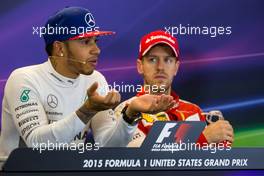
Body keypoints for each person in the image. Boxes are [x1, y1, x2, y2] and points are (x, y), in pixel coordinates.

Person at [0, 7, 175, 157]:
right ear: (59, 48)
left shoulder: (95, 79)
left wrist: (130, 115)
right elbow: (37, 145)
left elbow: (108, 147)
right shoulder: (24, 79)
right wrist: (86, 111)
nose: (97, 50)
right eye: (85, 42)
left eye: (96, 41)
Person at [115, 30, 234, 147]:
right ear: (140, 66)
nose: (160, 67)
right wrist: (202, 139)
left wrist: (221, 141)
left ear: (176, 67)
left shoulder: (193, 110)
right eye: (152, 59)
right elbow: (141, 159)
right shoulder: (127, 111)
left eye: (168, 60)